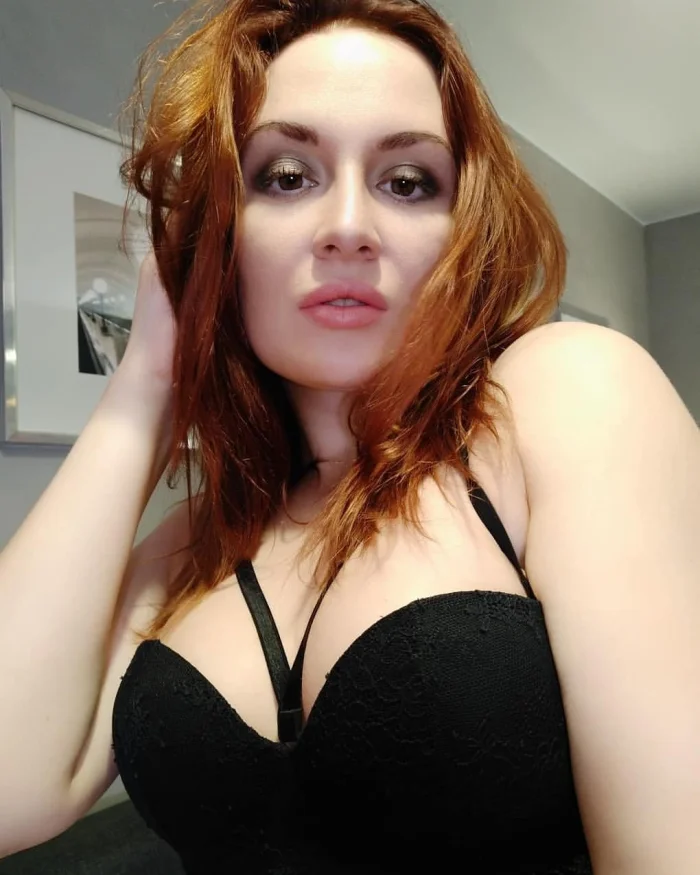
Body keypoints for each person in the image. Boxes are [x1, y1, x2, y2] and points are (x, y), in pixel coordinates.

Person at [0, 0, 698, 872]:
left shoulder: (568, 395)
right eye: (287, 175)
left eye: (407, 182)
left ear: (464, 231)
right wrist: (144, 386)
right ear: (221, 235)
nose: (348, 228)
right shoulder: (199, 544)